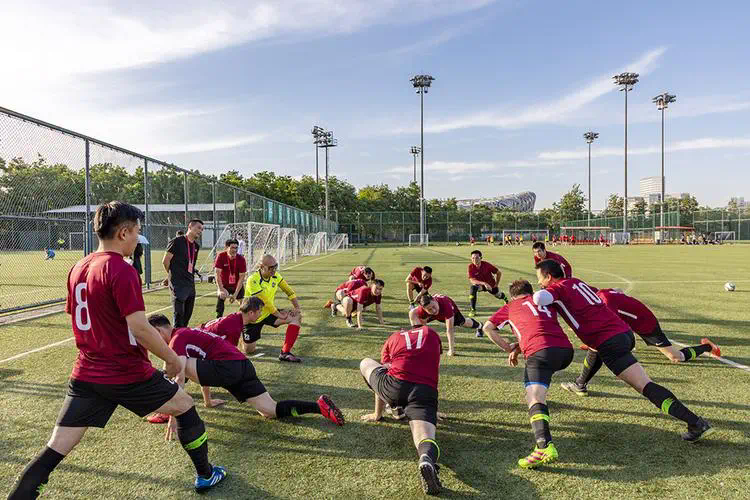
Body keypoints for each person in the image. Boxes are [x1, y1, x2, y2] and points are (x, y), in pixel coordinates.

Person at [8, 202, 226, 499]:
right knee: (185, 406)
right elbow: (140, 327)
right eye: (137, 231)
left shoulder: (78, 267)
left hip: (87, 374)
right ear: (123, 232)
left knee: (55, 448)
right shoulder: (120, 270)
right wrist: (173, 359)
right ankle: (206, 474)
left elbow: (75, 314)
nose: (138, 238)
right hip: (126, 372)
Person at [533, 259, 714, 442]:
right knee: (596, 349)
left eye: (540, 278)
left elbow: (539, 298)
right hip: (624, 333)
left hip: (609, 341)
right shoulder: (576, 282)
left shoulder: (557, 289)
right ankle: (581, 383)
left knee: (645, 386)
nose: (539, 283)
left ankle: (696, 423)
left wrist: (534, 296)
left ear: (548, 277)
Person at [147, 309, 344, 430]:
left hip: (228, 367)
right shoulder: (185, 334)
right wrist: (207, 401)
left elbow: (181, 378)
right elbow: (201, 363)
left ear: (157, 330)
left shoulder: (176, 339)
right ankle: (318, 407)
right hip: (242, 365)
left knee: (175, 365)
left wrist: (175, 415)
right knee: (270, 410)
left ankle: (165, 411)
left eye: (149, 336)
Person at [483, 279, 574, 468]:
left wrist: (508, 347)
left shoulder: (510, 306)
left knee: (534, 397)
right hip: (566, 351)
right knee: (540, 384)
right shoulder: (543, 300)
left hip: (541, 352)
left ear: (513, 296)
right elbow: (536, 323)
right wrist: (519, 347)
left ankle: (544, 446)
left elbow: (487, 327)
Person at [359, 325, 443, 495]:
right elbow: (433, 365)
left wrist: (377, 414)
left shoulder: (394, 337)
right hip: (424, 391)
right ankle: (426, 460)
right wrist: (432, 409)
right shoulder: (431, 333)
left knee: (366, 362)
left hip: (394, 387)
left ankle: (394, 407)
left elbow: (386, 370)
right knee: (424, 438)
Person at [590, 288, 720, 364]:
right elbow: (619, 290)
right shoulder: (602, 293)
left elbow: (611, 328)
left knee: (675, 357)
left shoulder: (606, 304)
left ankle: (708, 346)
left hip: (646, 324)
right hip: (637, 319)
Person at [243, 254, 303, 362]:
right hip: (253, 318)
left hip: (269, 313)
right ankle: (240, 333)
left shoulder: (276, 276)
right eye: (271, 268)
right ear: (262, 267)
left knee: (296, 316)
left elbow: (289, 291)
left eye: (275, 266)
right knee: (249, 350)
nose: (274, 270)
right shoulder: (253, 280)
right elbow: (265, 302)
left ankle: (285, 353)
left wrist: (297, 308)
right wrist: (280, 315)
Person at [409, 293, 483, 355]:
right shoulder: (423, 310)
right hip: (433, 315)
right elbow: (422, 324)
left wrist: (451, 350)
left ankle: (479, 325)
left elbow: (449, 329)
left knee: (463, 323)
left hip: (450, 312)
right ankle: (419, 343)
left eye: (434, 306)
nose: (433, 310)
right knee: (412, 313)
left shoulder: (446, 305)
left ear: (434, 300)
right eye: (429, 309)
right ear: (424, 309)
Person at [163, 220, 203, 327]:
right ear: (190, 226)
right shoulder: (176, 241)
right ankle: (175, 341)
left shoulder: (196, 246)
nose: (200, 231)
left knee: (187, 316)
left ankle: (183, 338)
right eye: (199, 228)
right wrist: (171, 276)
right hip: (178, 284)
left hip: (190, 283)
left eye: (202, 229)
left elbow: (191, 264)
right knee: (179, 317)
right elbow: (165, 261)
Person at [467, 250, 507, 317]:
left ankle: (505, 298)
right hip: (481, 285)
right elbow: (472, 280)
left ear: (481, 258)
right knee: (473, 288)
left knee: (498, 295)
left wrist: (496, 284)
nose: (474, 260)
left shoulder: (487, 265)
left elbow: (498, 273)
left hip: (491, 285)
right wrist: (484, 283)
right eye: (473, 258)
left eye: (477, 258)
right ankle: (473, 309)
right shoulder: (470, 267)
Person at [214, 239, 247, 318]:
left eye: (236, 248)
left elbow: (242, 278)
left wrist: (235, 294)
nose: (234, 250)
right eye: (232, 248)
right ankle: (218, 318)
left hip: (237, 285)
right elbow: (217, 274)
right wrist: (221, 289)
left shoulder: (241, 259)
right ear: (226, 247)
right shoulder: (221, 256)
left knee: (243, 304)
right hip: (224, 284)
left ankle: (243, 320)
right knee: (221, 296)